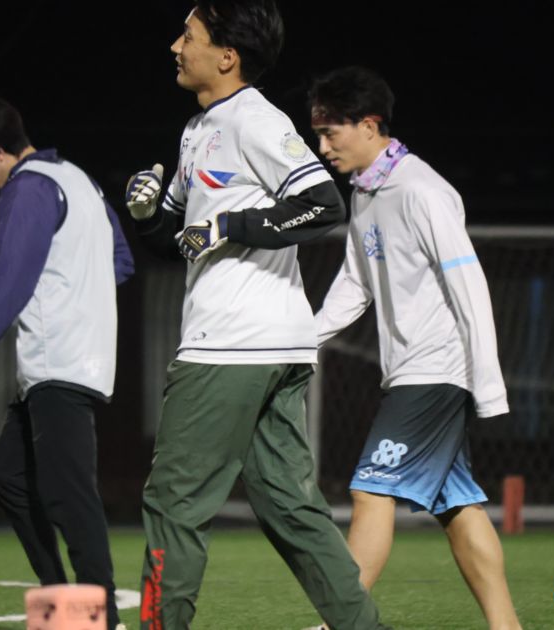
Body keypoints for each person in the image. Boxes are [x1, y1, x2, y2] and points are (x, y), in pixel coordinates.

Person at [123, 2, 388, 629]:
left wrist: (231, 225)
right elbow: (181, 240)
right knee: (291, 509)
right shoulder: (199, 129)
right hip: (276, 345)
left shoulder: (254, 118)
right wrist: (148, 217)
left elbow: (322, 204)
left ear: (227, 56)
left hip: (229, 346)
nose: (175, 46)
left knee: (174, 503)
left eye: (188, 35)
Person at [308, 66, 523, 630]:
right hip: (409, 371)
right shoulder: (365, 192)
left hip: (436, 371)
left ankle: (340, 623)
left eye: (331, 133)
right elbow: (354, 284)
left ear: (369, 125)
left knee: (370, 489)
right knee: (458, 504)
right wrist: (300, 340)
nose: (322, 147)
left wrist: (488, 385)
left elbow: (469, 285)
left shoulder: (423, 191)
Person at [0, 95, 133, 630]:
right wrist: (79, 298)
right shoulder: (79, 180)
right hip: (72, 358)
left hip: (57, 358)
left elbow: (9, 283)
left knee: (69, 496)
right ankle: (62, 596)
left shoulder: (28, 187)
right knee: (9, 477)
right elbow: (121, 261)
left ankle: (102, 618)